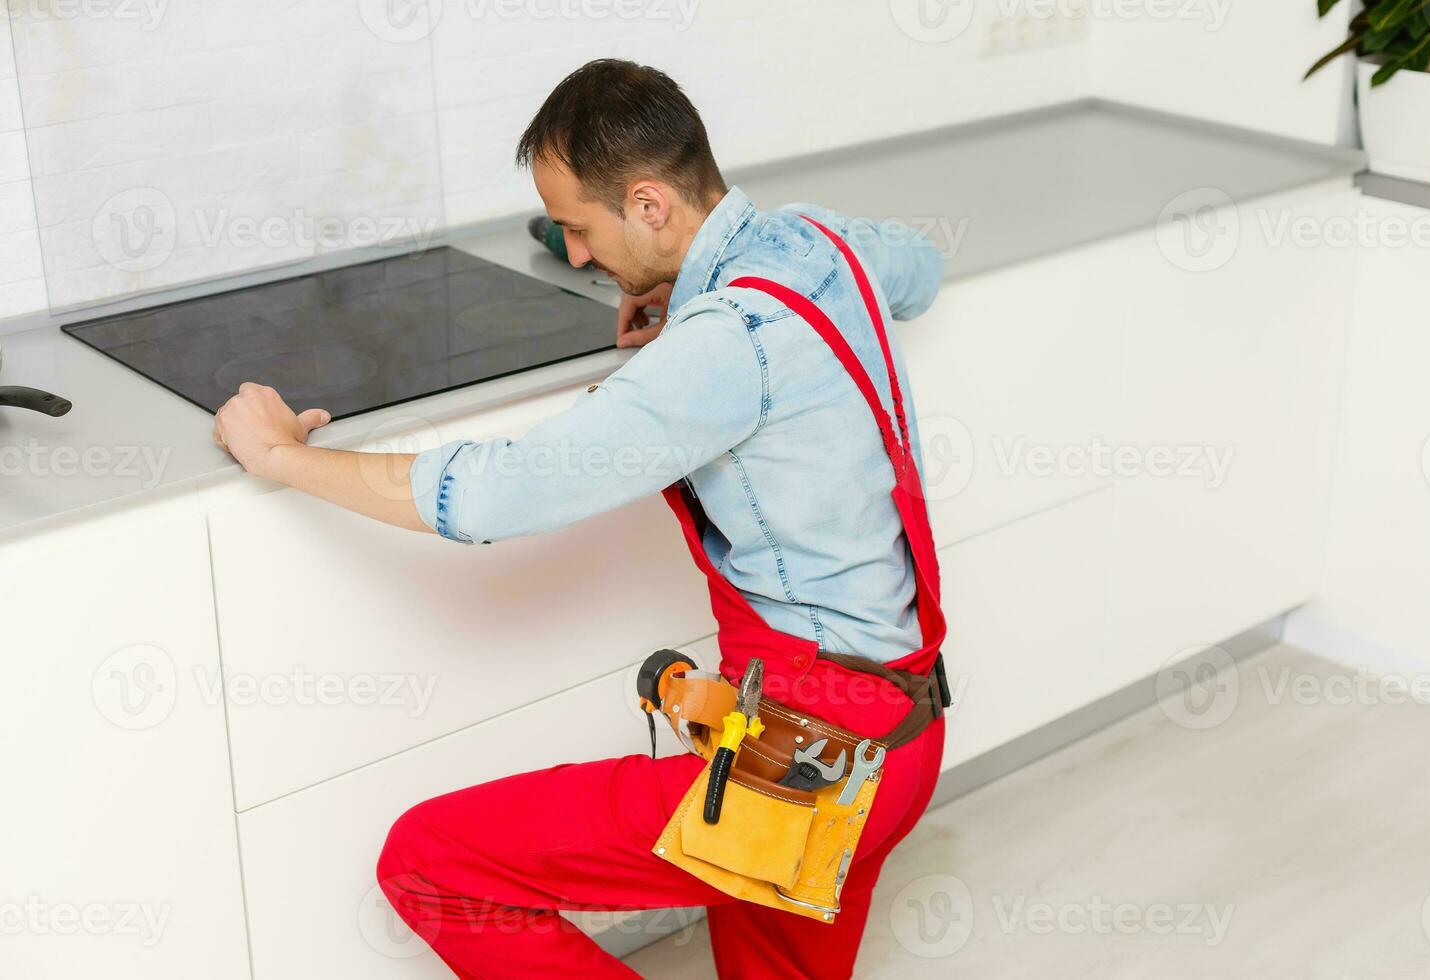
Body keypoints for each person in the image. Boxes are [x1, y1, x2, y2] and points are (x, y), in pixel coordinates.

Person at [212, 58, 949, 979]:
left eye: (576, 227)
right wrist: (687, 301)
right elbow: (921, 266)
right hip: (901, 743)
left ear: (648, 205)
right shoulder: (820, 243)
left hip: (804, 766)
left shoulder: (727, 345)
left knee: (432, 863)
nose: (572, 256)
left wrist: (283, 456)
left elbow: (500, 492)